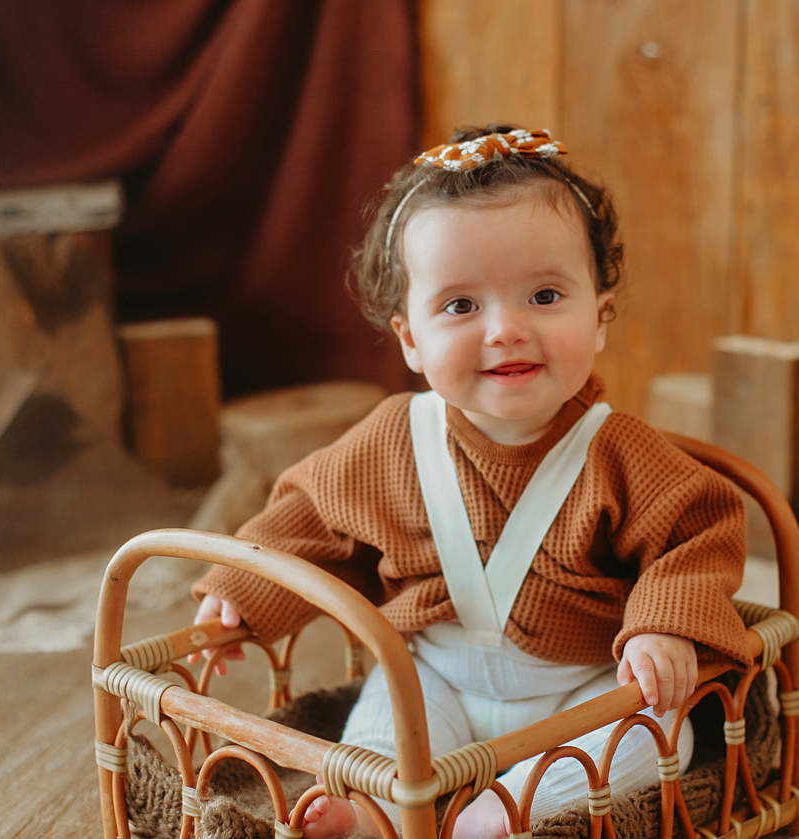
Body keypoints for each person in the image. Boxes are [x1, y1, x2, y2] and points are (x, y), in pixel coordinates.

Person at [189, 125, 750, 839]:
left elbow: (699, 534)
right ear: (410, 339)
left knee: (661, 731)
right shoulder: (391, 440)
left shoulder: (622, 453)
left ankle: (498, 815)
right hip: (436, 678)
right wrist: (240, 589)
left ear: (600, 317)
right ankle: (371, 812)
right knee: (384, 726)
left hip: (580, 692)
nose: (505, 329)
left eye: (544, 295)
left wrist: (664, 625)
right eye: (461, 306)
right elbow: (309, 517)